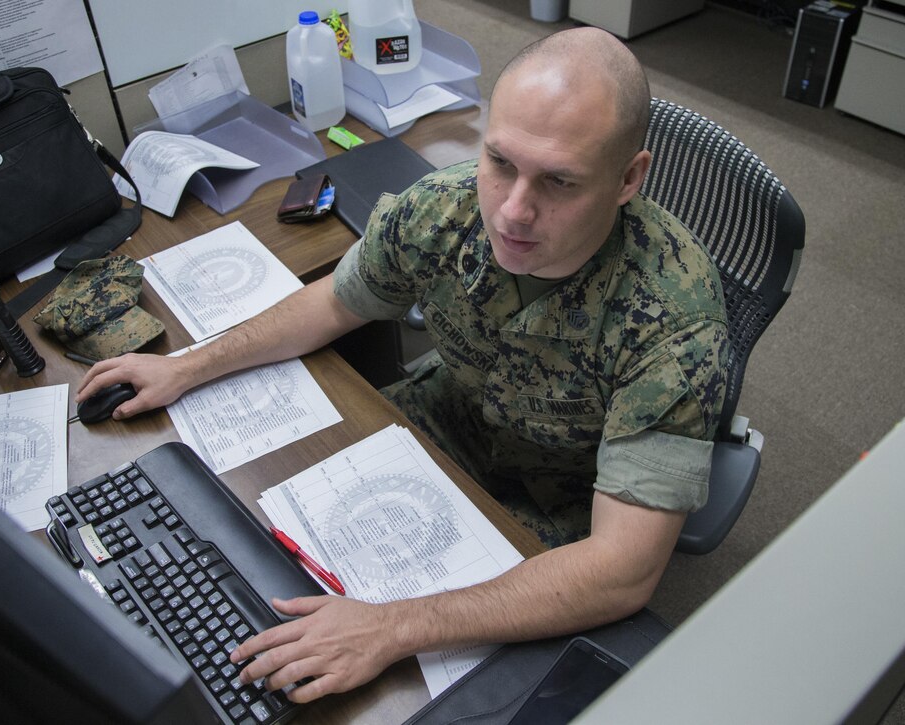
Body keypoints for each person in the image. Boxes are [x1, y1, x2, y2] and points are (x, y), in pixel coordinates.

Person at [76, 27, 728, 703]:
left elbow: (622, 571)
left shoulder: (675, 322)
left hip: (564, 504)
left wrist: (393, 627)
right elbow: (332, 304)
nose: (513, 211)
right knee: (255, 554)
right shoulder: (443, 208)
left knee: (421, 699)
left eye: (559, 181)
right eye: (500, 161)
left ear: (629, 178)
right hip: (448, 423)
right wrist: (186, 366)